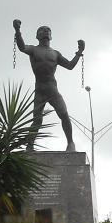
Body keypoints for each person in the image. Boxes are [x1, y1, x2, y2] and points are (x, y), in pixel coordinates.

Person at [13, 19, 85, 152]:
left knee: (64, 114)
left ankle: (70, 143)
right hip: (40, 90)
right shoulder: (33, 50)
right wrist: (17, 31)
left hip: (52, 89)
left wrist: (79, 52)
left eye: (47, 30)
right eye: (42, 30)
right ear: (37, 36)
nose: (45, 31)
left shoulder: (55, 53)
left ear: (51, 36)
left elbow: (69, 66)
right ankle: (30, 146)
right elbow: (22, 47)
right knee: (37, 121)